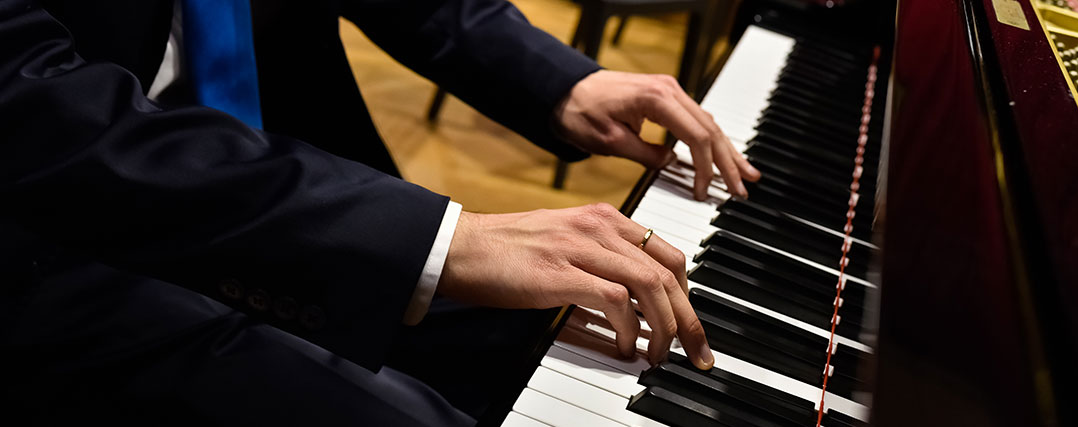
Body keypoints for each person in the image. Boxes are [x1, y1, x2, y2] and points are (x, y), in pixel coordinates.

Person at [0, 0, 760, 424]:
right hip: (57, 247)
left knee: (587, 328)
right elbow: (38, 113)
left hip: (290, 179)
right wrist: (439, 240)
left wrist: (564, 83)